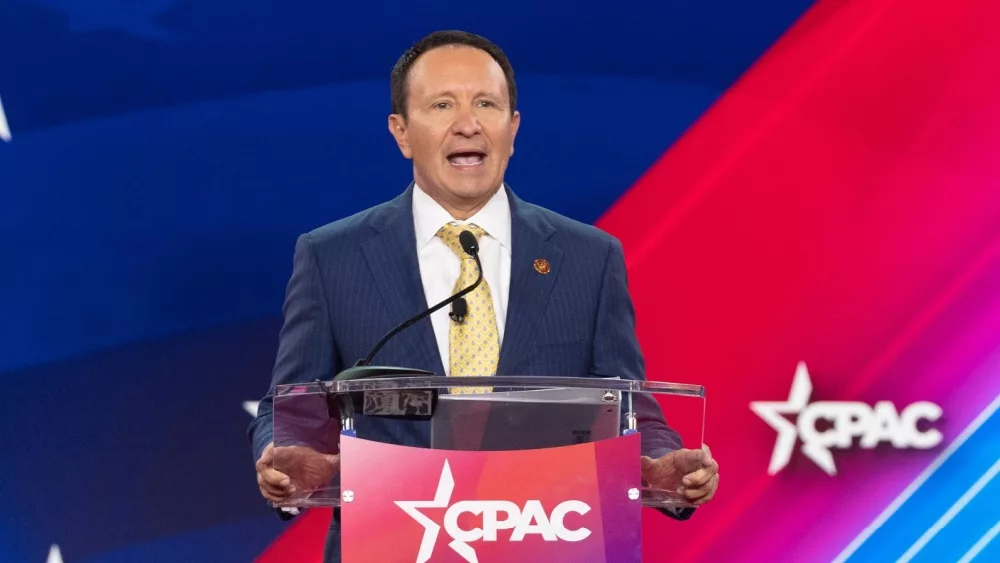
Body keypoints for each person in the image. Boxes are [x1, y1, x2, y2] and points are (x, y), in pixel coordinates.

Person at [249, 30, 720, 562]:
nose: (467, 123)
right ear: (401, 132)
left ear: (512, 128)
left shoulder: (589, 257)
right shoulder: (332, 256)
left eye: (486, 104)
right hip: (388, 547)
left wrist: (661, 463)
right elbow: (291, 406)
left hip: (547, 545)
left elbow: (631, 405)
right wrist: (287, 456)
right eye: (442, 104)